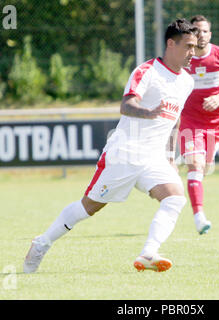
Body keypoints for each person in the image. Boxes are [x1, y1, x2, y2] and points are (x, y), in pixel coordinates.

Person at [23, 19, 198, 273]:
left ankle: (148, 253)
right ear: (171, 44)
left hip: (153, 158)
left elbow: (175, 120)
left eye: (195, 47)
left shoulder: (187, 82)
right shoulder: (147, 71)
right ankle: (42, 242)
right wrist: (149, 112)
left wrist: (170, 154)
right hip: (124, 154)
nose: (193, 53)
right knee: (88, 208)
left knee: (175, 198)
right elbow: (126, 105)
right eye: (188, 46)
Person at [179, 15, 219, 234]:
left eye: (205, 31)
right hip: (189, 122)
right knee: (195, 167)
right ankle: (199, 217)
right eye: (196, 30)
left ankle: (197, 172)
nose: (201, 35)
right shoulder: (183, 58)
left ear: (210, 34)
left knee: (203, 168)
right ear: (191, 33)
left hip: (214, 124)